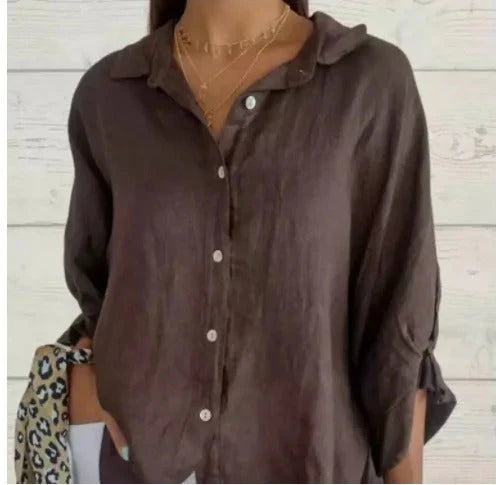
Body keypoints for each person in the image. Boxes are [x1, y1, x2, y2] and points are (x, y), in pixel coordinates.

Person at [57, 0, 457, 482]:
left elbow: (397, 323)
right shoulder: (108, 97)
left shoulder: (369, 84)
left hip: (308, 464)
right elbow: (102, 295)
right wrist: (78, 385)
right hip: (137, 467)